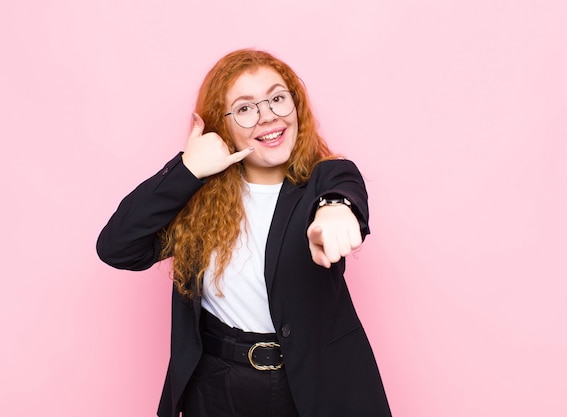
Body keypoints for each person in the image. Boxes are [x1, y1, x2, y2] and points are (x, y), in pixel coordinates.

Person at [96, 49, 391, 417]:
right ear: (223, 126)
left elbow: (343, 195)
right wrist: (188, 169)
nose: (268, 116)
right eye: (246, 108)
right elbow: (117, 247)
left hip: (309, 384)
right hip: (215, 385)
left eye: (278, 98)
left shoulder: (327, 178)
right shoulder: (198, 198)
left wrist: (336, 212)